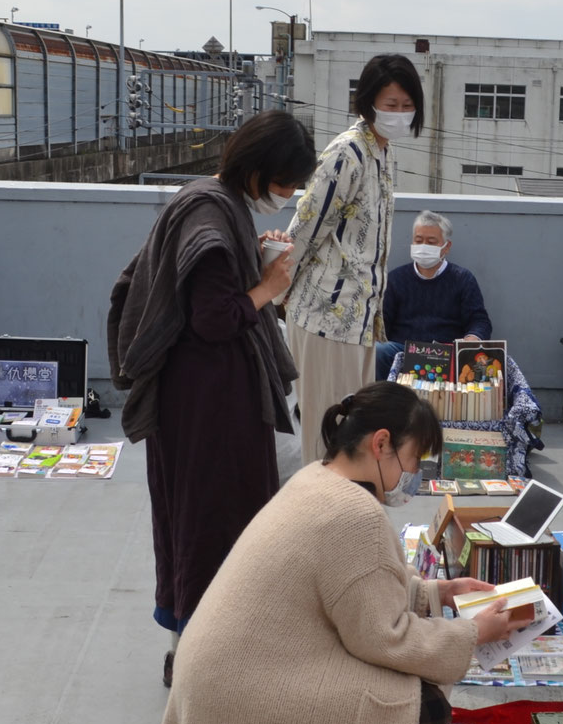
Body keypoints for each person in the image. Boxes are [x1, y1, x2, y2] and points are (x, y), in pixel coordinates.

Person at [157, 382, 528, 724]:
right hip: (236, 693)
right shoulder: (353, 514)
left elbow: (358, 595)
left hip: (220, 680)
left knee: (401, 689)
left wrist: (439, 593)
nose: (414, 475)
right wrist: (473, 634)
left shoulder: (317, 479)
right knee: (420, 708)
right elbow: (383, 637)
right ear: (380, 444)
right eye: (414, 458)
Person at [109, 111, 316, 685]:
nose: (288, 194)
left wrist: (257, 264)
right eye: (284, 182)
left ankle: (194, 641)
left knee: (196, 519)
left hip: (198, 397)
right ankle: (201, 652)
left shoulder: (210, 200)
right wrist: (271, 285)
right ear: (258, 170)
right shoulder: (211, 215)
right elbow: (214, 318)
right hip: (208, 401)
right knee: (211, 522)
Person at [284, 52, 422, 462]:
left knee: (349, 432)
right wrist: (278, 293)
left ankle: (337, 515)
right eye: (390, 105)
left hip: (357, 322)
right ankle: (316, 519)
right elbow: (306, 226)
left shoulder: (383, 153)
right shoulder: (348, 154)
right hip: (325, 316)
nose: (399, 114)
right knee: (324, 435)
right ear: (367, 103)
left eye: (407, 106)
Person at [375, 209, 492, 378]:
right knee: (379, 351)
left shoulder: (463, 279)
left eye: (431, 242)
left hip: (446, 353)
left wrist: (473, 338)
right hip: (403, 351)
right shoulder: (395, 279)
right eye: (419, 240)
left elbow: (479, 320)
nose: (423, 246)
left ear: (446, 247)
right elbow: (383, 321)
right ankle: (384, 401)